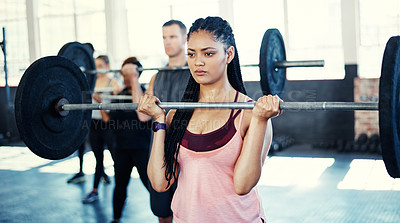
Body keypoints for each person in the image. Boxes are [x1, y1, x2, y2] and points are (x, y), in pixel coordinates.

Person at [138, 16, 281, 223]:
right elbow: (160, 183)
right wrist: (159, 121)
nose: (199, 62)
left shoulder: (250, 114)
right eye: (192, 54)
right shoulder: (176, 116)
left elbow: (242, 185)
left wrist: (260, 120)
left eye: (209, 53)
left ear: (229, 54)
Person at [127, 19, 190, 223]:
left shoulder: (195, 75)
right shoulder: (157, 77)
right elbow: (143, 114)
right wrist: (134, 80)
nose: (167, 42)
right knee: (162, 213)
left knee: (189, 214)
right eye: (164, 37)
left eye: (172, 37)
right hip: (159, 153)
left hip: (187, 155)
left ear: (185, 39)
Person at [108, 57, 152, 223]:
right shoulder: (118, 96)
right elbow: (110, 122)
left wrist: (133, 78)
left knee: (151, 185)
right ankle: (116, 218)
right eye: (125, 73)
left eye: (131, 73)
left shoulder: (146, 93)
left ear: (137, 74)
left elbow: (143, 115)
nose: (127, 77)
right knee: (120, 186)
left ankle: (166, 217)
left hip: (142, 148)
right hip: (122, 149)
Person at [82, 55, 121, 203]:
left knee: (115, 158)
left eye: (99, 65)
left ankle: (120, 188)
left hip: (108, 125)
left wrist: (100, 101)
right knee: (98, 160)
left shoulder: (114, 83)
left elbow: (117, 109)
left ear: (107, 66)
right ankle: (94, 190)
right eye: (95, 66)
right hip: (93, 124)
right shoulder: (91, 82)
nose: (96, 69)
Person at [67, 43, 96, 184]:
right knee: (80, 143)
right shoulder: (76, 70)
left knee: (98, 147)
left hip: (97, 118)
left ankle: (102, 173)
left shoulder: (94, 70)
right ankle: (80, 171)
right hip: (81, 113)